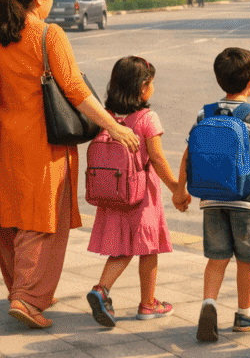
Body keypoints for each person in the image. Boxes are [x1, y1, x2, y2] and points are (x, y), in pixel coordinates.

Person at [0, 0, 140, 330]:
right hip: (40, 149)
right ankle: (27, 297)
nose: (52, 2)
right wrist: (113, 125)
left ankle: (22, 290)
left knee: (7, 221)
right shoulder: (48, 35)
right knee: (41, 223)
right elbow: (76, 90)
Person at [172, 47, 250, 341]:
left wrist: (180, 190)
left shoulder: (205, 112)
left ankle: (208, 304)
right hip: (247, 200)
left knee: (217, 257)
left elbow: (188, 154)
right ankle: (245, 313)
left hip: (211, 198)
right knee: (246, 260)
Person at [86, 56, 179, 325]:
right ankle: (148, 305)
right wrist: (175, 187)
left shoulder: (107, 118)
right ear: (143, 87)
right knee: (149, 249)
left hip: (113, 195)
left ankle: (101, 290)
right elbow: (158, 159)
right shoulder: (147, 118)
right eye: (151, 83)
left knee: (122, 249)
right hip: (142, 197)